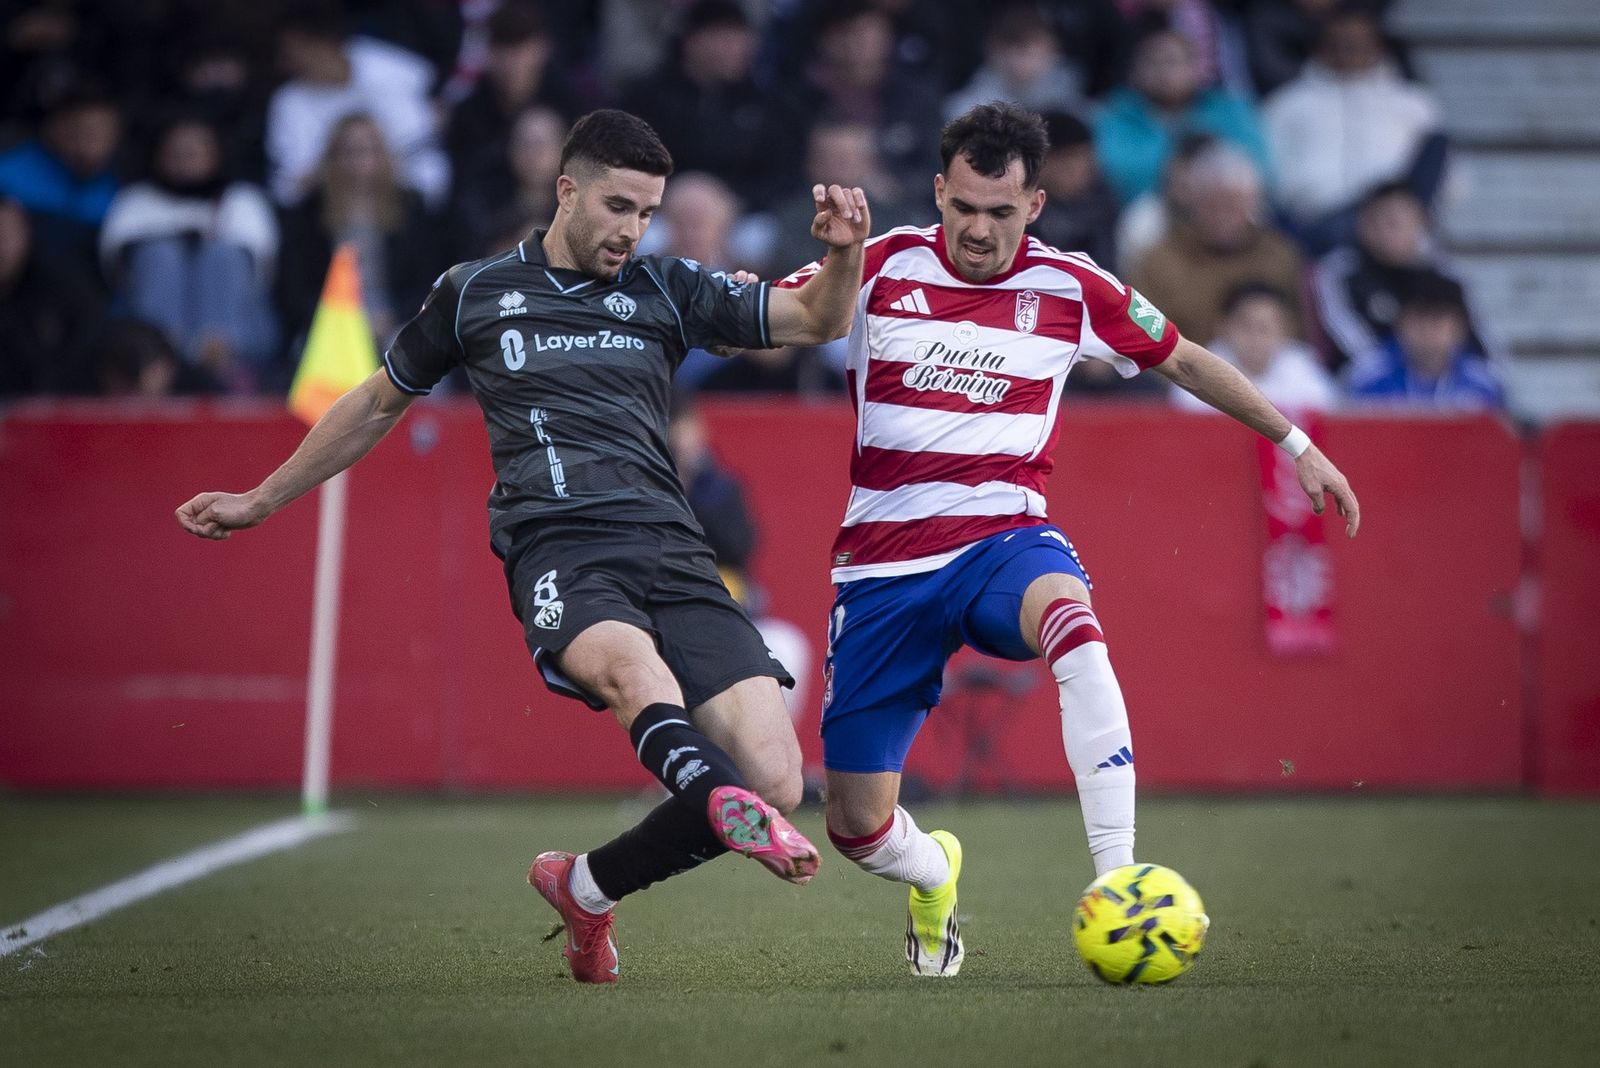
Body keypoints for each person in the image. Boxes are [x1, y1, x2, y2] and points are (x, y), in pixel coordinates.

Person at [176, 109, 873, 985]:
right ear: (567, 188)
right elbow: (377, 402)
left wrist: (845, 252)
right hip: (561, 550)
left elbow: (814, 318)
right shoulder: (473, 292)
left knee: (777, 776)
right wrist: (263, 496)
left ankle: (586, 886)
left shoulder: (665, 289)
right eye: (618, 205)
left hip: (675, 550)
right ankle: (715, 798)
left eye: (647, 212)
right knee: (636, 680)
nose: (632, 229)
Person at [776, 103, 1358, 976]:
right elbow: (773, 322)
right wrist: (834, 259)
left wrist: (1296, 442)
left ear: (1035, 205)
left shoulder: (1071, 287)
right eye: (963, 207)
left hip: (1002, 539)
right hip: (882, 572)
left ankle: (1120, 881)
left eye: (1000, 212)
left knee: (1074, 626)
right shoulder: (881, 263)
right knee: (857, 827)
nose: (977, 229)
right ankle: (936, 874)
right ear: (939, 191)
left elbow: (1187, 358)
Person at [99, 114, 279, 392]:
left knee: (224, 256)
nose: (185, 160)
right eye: (177, 153)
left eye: (194, 152)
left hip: (237, 334)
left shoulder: (242, 199)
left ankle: (224, 366)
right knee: (160, 255)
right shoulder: (137, 199)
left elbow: (257, 270)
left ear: (215, 153)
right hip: (147, 334)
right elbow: (118, 267)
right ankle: (157, 361)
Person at [1262, 1, 1445, 251]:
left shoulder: (1413, 104)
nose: (1348, 50)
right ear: (1319, 46)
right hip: (1313, 236)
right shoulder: (1288, 103)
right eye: (1338, 42)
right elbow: (1267, 178)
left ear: (1379, 46)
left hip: (1394, 242)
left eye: (1359, 42)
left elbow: (1449, 181)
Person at [1311, 179, 1502, 376]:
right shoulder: (1340, 272)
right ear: (1362, 225)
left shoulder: (1446, 276)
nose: (1386, 233)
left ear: (1421, 223)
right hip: (1367, 387)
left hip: (1444, 384)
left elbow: (1483, 346)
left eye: (1396, 223)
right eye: (1378, 223)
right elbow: (1350, 340)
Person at [1125, 142, 1307, 348]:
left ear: (1251, 203)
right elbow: (1143, 338)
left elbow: (1299, 333)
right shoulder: (1159, 262)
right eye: (1213, 204)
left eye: (1233, 205)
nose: (1223, 215)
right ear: (1194, 202)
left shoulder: (1280, 257)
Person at [1347, 269, 1503, 410]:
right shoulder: (1368, 380)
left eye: (1437, 320)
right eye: (1419, 319)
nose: (1427, 330)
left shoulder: (1485, 385)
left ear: (1460, 328)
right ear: (1400, 324)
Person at [1171, 282, 1337, 413]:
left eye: (1265, 328)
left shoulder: (1302, 365)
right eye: (1246, 326)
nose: (1255, 338)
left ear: (1286, 331)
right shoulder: (1198, 369)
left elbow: (1326, 412)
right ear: (1223, 327)